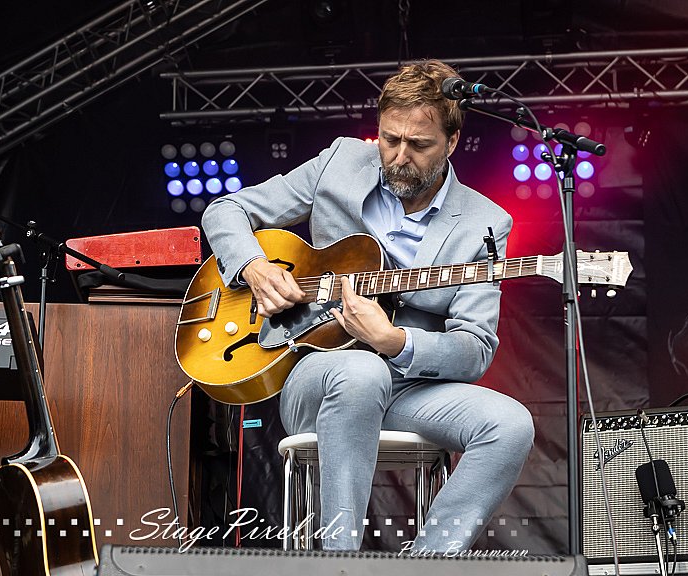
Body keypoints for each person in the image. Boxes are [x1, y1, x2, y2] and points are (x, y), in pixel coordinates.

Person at [201, 59, 534, 553]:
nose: (398, 156)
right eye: (388, 138)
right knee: (360, 371)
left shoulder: (484, 223)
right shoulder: (339, 162)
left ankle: (427, 563)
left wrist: (394, 341)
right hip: (319, 380)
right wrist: (254, 267)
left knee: (510, 426)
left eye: (418, 145)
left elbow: (475, 349)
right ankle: (342, 562)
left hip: (410, 390)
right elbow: (226, 209)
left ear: (452, 142)